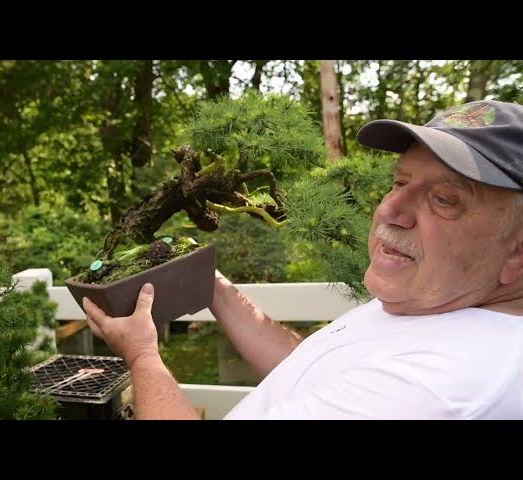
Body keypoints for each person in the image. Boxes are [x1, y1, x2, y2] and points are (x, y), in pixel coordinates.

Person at [82, 100, 523, 419]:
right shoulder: (436, 299)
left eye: (444, 199)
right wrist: (211, 284)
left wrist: (142, 357)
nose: (389, 210)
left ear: (517, 250)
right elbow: (306, 370)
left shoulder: (439, 384)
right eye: (399, 182)